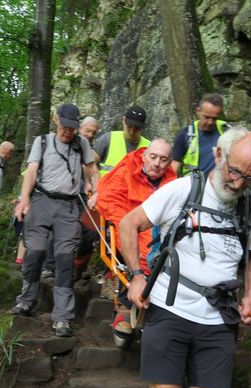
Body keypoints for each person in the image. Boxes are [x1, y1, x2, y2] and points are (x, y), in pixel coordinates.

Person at [119, 126, 251, 388]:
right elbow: (129, 224)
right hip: (170, 310)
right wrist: (137, 275)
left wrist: (249, 297)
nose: (239, 183)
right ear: (219, 156)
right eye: (235, 171)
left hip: (219, 319)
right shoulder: (185, 189)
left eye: (250, 176)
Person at [12, 103, 99, 337]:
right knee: (35, 252)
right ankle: (26, 300)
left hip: (69, 205)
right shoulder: (43, 142)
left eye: (72, 128)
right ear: (56, 120)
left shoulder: (82, 144)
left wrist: (95, 190)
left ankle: (62, 317)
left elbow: (92, 169)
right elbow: (31, 172)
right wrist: (24, 200)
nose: (67, 132)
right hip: (42, 200)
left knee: (64, 259)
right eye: (64, 126)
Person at [96, 139, 177, 344]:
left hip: (161, 230)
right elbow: (109, 198)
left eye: (163, 159)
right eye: (153, 157)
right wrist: (128, 224)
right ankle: (126, 305)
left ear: (169, 163)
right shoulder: (126, 169)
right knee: (142, 254)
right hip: (131, 222)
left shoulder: (174, 182)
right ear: (144, 156)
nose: (157, 163)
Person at [41, 115, 100, 281]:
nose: (90, 135)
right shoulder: (68, 144)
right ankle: (49, 266)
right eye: (87, 131)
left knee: (87, 232)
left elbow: (93, 169)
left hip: (84, 196)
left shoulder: (90, 148)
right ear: (80, 128)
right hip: (64, 194)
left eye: (93, 133)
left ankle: (75, 268)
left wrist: (94, 187)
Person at [171, 93, 229, 176]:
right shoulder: (184, 135)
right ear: (198, 111)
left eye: (214, 118)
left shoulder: (226, 131)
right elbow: (174, 167)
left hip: (218, 186)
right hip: (192, 186)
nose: (210, 122)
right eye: (207, 117)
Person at [94, 106, 150, 177]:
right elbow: (90, 163)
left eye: (137, 128)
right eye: (129, 126)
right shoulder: (108, 139)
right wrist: (95, 181)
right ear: (123, 120)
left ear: (143, 126)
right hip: (107, 187)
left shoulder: (150, 147)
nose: (132, 131)